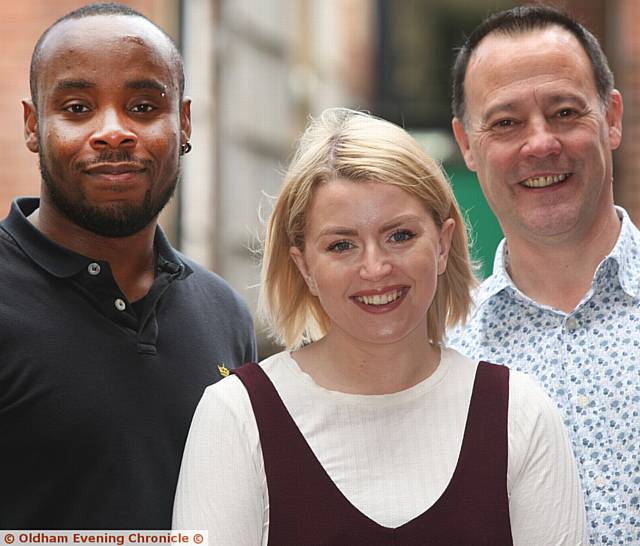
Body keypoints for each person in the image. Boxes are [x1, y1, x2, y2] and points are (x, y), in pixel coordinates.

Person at [173, 108, 586, 545]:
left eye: (400, 236)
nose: (375, 268)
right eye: (342, 245)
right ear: (305, 266)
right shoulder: (236, 416)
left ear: (443, 244)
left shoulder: (519, 413)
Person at [0, 2, 256, 529]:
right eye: (76, 108)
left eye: (142, 107)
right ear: (32, 125)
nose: (113, 132)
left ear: (183, 122)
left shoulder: (225, 313)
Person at [447, 4, 638, 543]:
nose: (540, 144)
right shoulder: (440, 354)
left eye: (564, 112)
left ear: (613, 118)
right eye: (506, 123)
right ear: (466, 144)